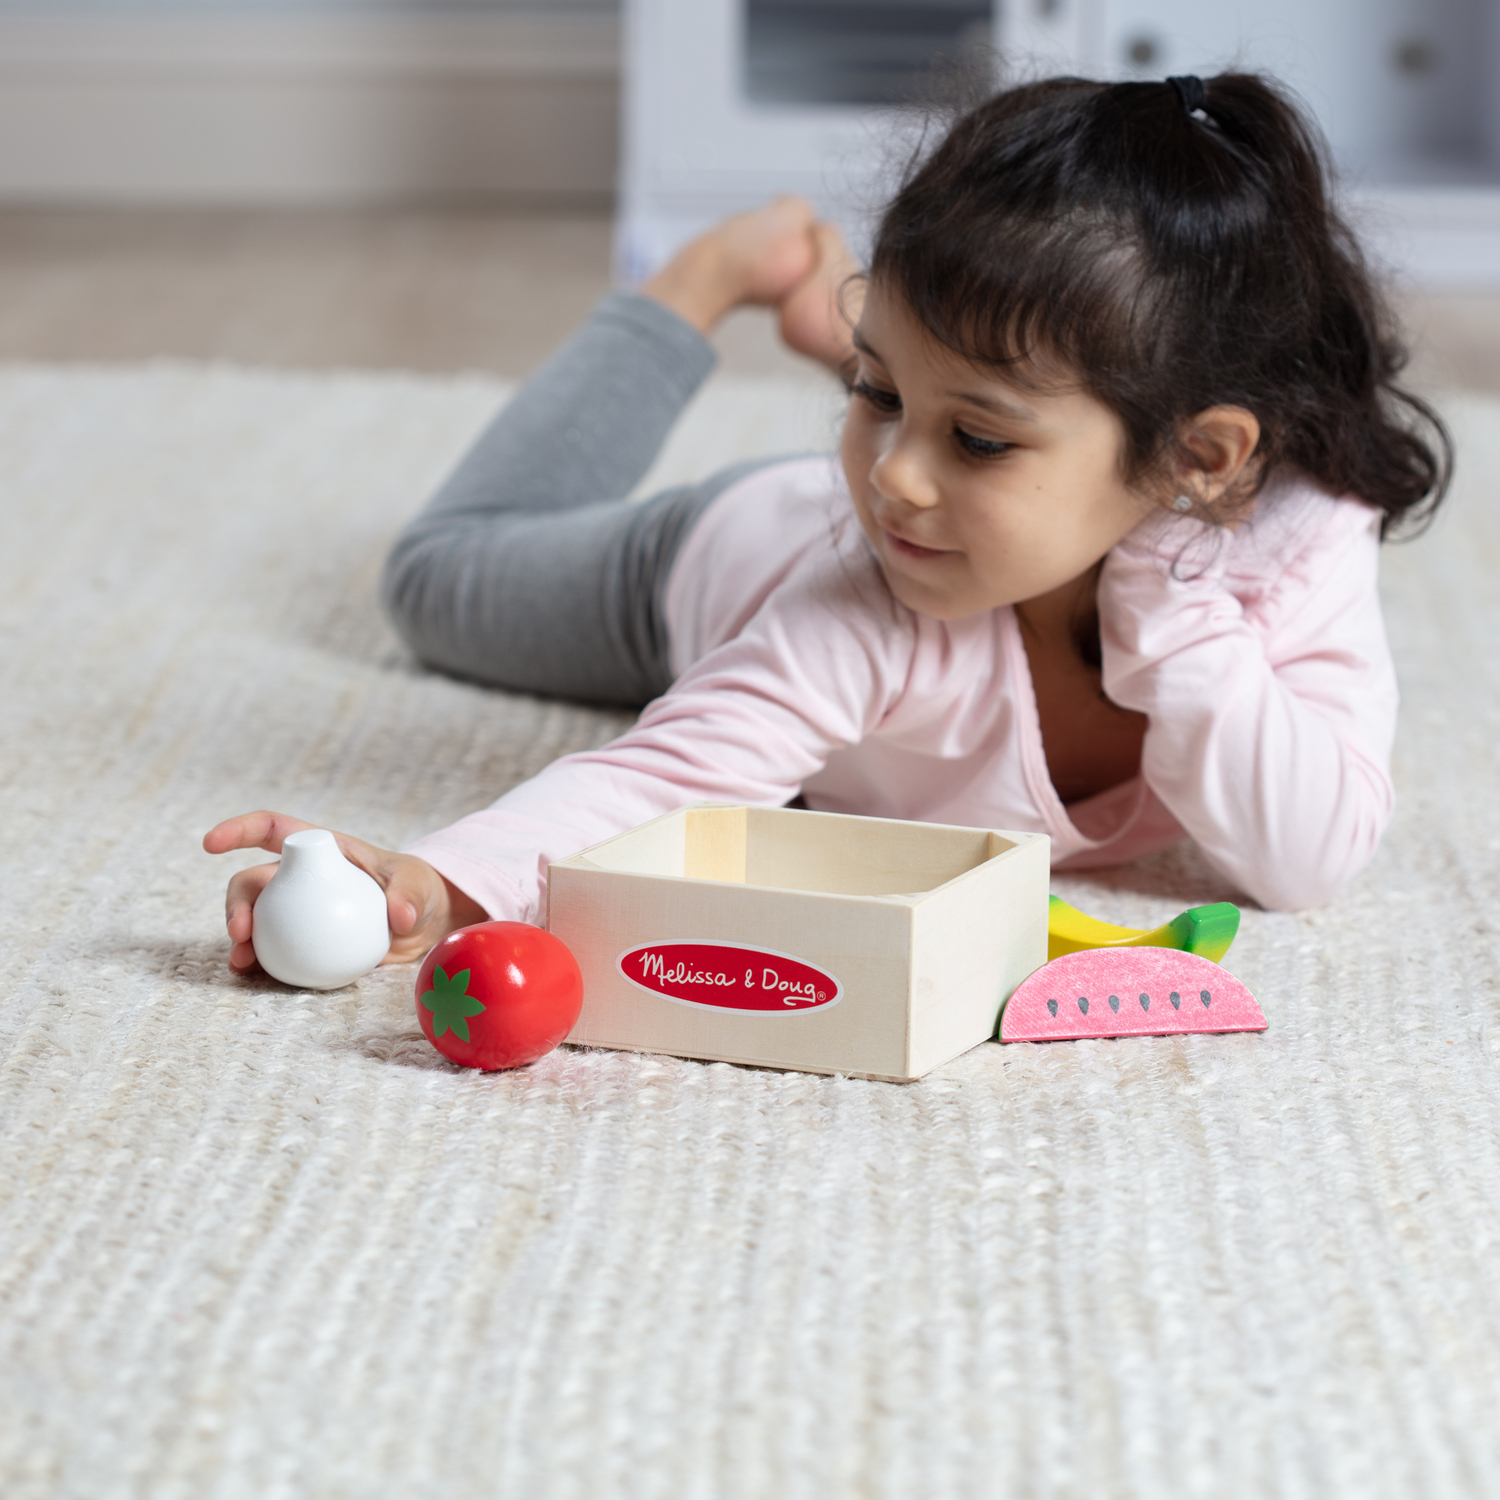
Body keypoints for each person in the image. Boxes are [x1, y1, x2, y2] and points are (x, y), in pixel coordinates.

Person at [206, 73, 1450, 974]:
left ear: (1203, 459)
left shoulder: (1292, 546)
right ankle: (703, 283)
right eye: (874, 390)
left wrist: (1169, 613)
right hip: (713, 560)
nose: (895, 477)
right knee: (436, 583)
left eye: (977, 435)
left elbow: (1305, 860)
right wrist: (436, 884)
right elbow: (666, 778)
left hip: (1080, 521)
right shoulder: (867, 591)